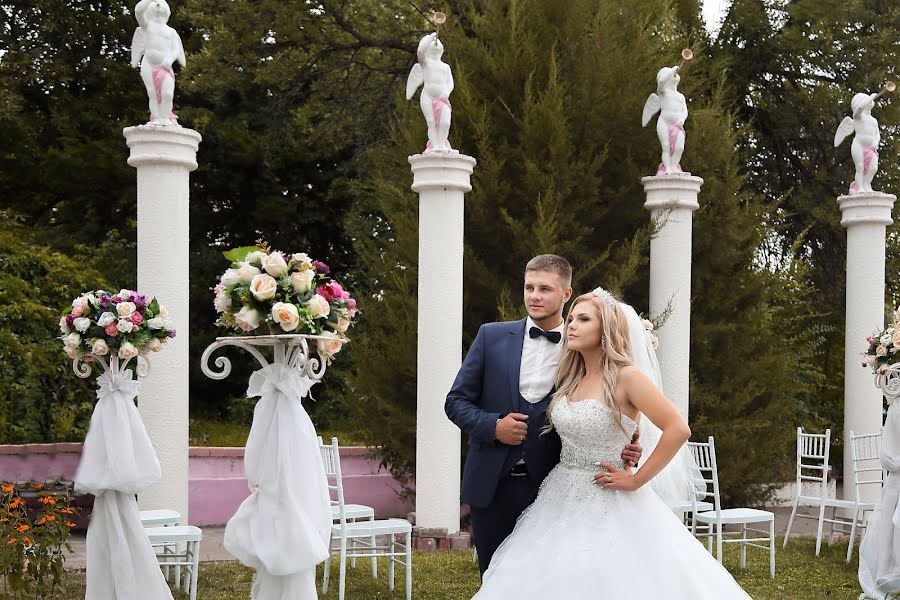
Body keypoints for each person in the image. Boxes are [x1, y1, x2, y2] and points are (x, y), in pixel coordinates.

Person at [470, 288, 752, 599]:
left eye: (583, 319)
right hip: (559, 493)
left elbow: (677, 429)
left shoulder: (627, 377)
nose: (572, 325)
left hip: (609, 493)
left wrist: (635, 479)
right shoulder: (572, 377)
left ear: (605, 329)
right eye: (572, 318)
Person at [444, 255, 641, 577]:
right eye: (529, 287)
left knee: (550, 580)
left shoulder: (583, 346)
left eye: (545, 289)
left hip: (551, 486)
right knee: (494, 577)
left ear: (566, 294)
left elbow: (610, 405)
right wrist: (492, 426)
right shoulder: (490, 337)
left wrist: (626, 444)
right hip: (491, 483)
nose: (534, 296)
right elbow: (455, 401)